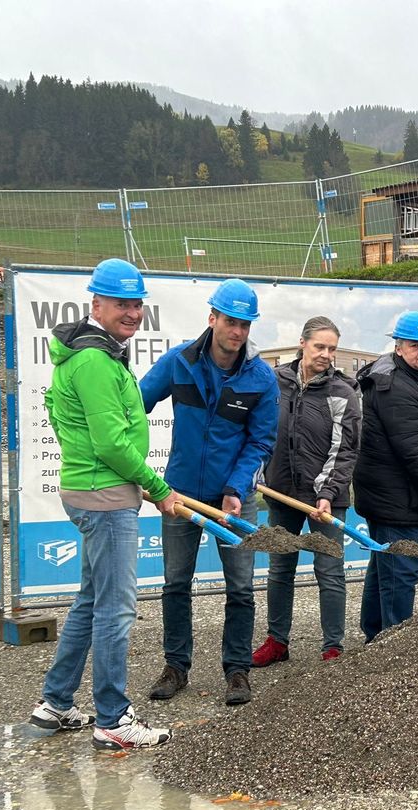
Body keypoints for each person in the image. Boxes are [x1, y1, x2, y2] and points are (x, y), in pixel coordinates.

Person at [27, 258, 174, 750]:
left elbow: (76, 423)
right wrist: (158, 488)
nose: (132, 313)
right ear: (96, 304)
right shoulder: (93, 361)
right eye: (121, 304)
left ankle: (55, 703)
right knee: (116, 610)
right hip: (105, 498)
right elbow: (111, 443)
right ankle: (113, 718)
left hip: (95, 490)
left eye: (137, 304)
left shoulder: (94, 354)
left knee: (91, 601)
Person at [140, 278, 279, 706]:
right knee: (175, 584)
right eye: (230, 321)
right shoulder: (179, 361)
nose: (237, 331)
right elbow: (135, 403)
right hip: (179, 495)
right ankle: (175, 667)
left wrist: (236, 488)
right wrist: (131, 462)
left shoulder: (260, 378)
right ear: (212, 318)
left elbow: (261, 442)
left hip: (234, 499)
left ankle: (237, 670)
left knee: (240, 587)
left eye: (245, 324)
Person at [253, 316, 361, 666]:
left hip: (326, 500)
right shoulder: (274, 382)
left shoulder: (342, 392)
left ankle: (333, 647)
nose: (326, 354)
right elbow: (259, 431)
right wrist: (259, 474)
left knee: (329, 571)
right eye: (320, 346)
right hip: (282, 494)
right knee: (279, 569)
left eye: (332, 348)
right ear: (302, 344)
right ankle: (277, 642)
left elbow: (345, 449)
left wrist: (326, 492)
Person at [353, 311, 418, 641]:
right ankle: (394, 646)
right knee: (401, 573)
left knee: (384, 567)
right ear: (399, 347)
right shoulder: (394, 388)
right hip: (394, 498)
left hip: (400, 494)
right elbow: (412, 451)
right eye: (416, 345)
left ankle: (374, 636)